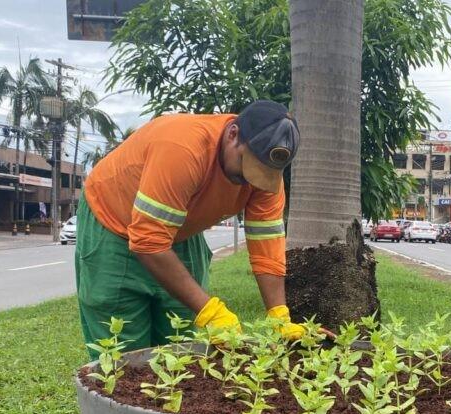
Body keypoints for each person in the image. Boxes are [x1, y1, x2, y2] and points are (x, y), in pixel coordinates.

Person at [76, 100, 305, 358]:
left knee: (180, 339)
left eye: (263, 174)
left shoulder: (267, 179)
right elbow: (148, 241)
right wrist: (210, 311)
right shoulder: (182, 148)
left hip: (182, 228)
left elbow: (268, 248)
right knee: (122, 346)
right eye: (246, 165)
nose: (252, 180)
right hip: (114, 221)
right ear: (233, 134)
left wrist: (279, 316)